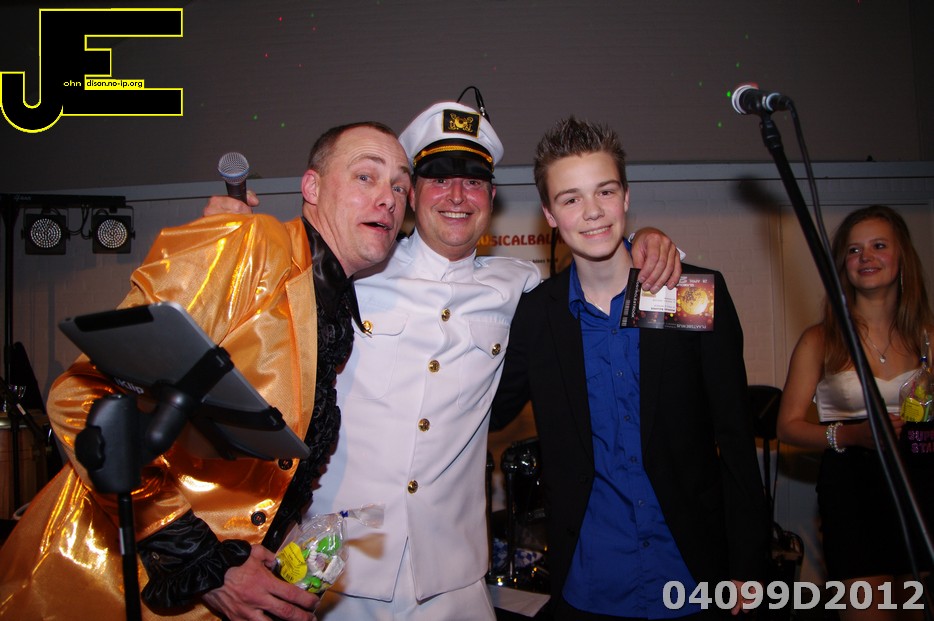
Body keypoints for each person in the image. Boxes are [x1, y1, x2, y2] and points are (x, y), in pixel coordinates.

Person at [206, 100, 683, 620]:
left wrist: (644, 242)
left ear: (492, 198)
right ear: (412, 194)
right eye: (438, 179)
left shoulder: (519, 286)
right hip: (334, 569)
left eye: (474, 181)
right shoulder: (352, 268)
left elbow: (595, 267)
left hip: (454, 579)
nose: (457, 196)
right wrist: (237, 247)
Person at [0, 121, 413, 621]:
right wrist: (201, 563)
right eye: (366, 176)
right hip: (102, 584)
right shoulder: (249, 243)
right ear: (312, 187)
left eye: (400, 186)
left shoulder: (336, 308)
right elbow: (84, 396)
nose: (388, 198)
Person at [490, 116, 770, 620]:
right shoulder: (537, 317)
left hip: (691, 573)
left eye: (605, 191)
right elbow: (483, 413)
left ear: (626, 197)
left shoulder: (686, 294)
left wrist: (748, 563)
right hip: (589, 582)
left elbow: (734, 434)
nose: (592, 211)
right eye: (571, 199)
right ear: (549, 215)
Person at [776, 205, 933, 621]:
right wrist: (850, 435)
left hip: (921, 484)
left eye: (879, 245)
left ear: (902, 257)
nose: (866, 257)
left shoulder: (927, 339)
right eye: (853, 250)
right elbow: (786, 426)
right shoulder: (820, 340)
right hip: (852, 492)